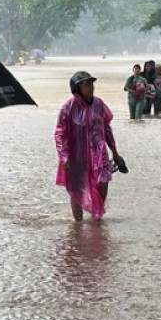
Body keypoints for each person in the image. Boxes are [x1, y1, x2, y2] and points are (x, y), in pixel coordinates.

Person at [55, 71, 122, 222]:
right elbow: (60, 134)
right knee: (77, 190)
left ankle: (96, 219)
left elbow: (107, 129)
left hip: (99, 155)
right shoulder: (68, 108)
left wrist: (115, 152)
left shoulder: (99, 104)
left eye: (92, 84)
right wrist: (64, 157)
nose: (91, 87)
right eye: (86, 84)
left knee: (103, 182)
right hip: (77, 157)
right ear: (77, 88)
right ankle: (77, 225)